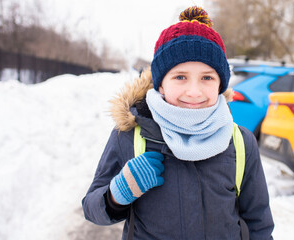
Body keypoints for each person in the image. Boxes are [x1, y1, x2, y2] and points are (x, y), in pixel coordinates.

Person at [82, 6, 274, 239]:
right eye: (180, 77)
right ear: (161, 84)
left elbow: (259, 225)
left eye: (207, 77)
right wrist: (117, 194)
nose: (193, 92)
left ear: (220, 84)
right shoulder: (130, 136)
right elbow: (92, 208)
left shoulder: (240, 143)